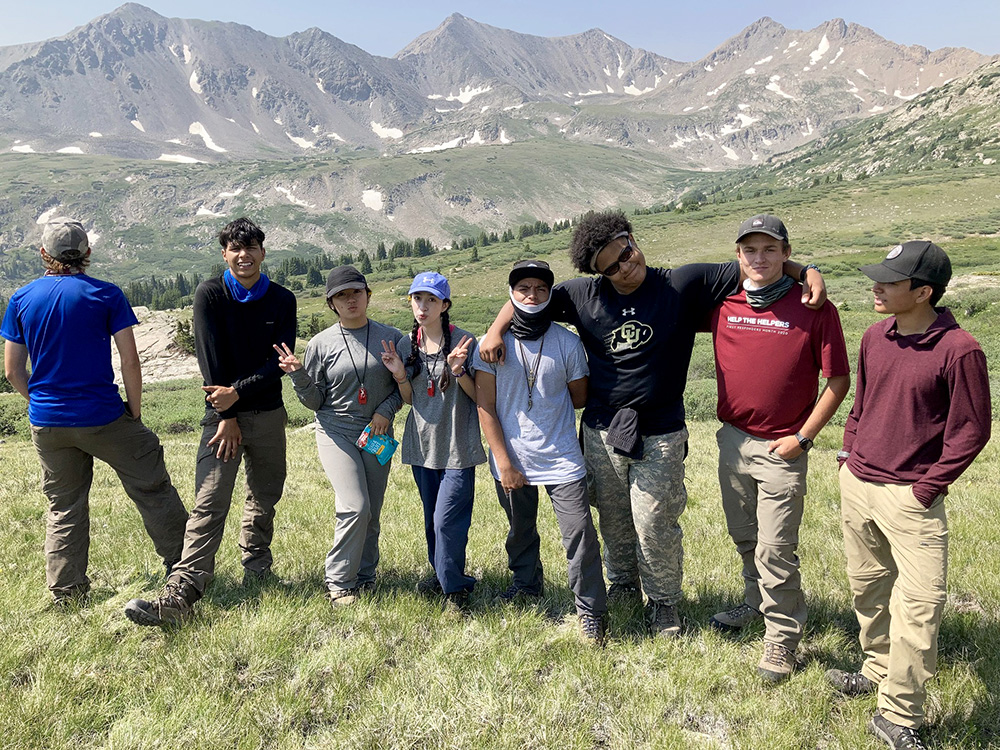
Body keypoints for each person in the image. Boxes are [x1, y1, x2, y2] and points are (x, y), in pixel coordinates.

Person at [479, 210, 826, 638]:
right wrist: (496, 330)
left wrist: (805, 269)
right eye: (614, 265)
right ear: (598, 272)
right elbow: (529, 298)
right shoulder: (583, 294)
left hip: (661, 431)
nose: (627, 264)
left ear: (632, 239)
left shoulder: (683, 283)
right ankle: (623, 587)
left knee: (655, 522)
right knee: (613, 519)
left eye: (627, 250)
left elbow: (754, 263)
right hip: (602, 430)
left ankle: (664, 603)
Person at [828, 241, 991, 750]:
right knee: (869, 589)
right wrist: (848, 456)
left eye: (889, 281)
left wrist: (926, 488)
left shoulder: (960, 350)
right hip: (858, 485)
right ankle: (877, 671)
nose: (875, 287)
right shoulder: (875, 336)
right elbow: (862, 400)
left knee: (920, 606)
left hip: (911, 498)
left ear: (923, 292)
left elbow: (971, 431)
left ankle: (899, 715)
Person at [1, 218, 188, 605]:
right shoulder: (106, 294)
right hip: (102, 415)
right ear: (87, 254)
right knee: (152, 488)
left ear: (44, 255)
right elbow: (130, 361)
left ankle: (67, 591)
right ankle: (186, 568)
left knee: (64, 505)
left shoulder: (22, 298)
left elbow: (12, 371)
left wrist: (38, 403)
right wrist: (134, 412)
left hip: (49, 422)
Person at [125, 217, 297, 626]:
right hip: (221, 419)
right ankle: (182, 591)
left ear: (263, 252)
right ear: (225, 254)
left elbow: (280, 362)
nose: (244, 255)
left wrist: (237, 392)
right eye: (235, 249)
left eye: (251, 247)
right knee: (210, 501)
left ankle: (258, 569)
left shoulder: (282, 299)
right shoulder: (211, 294)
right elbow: (210, 361)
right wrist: (228, 412)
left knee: (266, 493)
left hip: (269, 413)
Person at [706, 214, 850, 682]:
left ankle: (781, 639)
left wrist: (805, 437)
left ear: (786, 253)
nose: (759, 258)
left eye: (770, 249)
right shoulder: (722, 301)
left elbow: (838, 379)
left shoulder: (812, 305)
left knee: (775, 549)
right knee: (744, 535)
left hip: (784, 447)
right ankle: (755, 603)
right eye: (750, 250)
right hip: (732, 440)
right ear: (738, 255)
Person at [473, 260, 608, 644]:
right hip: (511, 460)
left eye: (540, 289)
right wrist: (503, 462)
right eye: (523, 288)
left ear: (550, 295)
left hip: (562, 457)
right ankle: (527, 584)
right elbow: (486, 408)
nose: (531, 295)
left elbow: (579, 396)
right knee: (520, 531)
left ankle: (591, 611)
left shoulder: (566, 342)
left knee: (580, 535)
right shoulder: (492, 345)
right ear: (511, 294)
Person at [276, 266, 404, 607]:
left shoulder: (392, 337)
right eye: (341, 296)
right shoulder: (320, 343)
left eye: (356, 293)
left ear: (368, 295)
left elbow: (403, 388)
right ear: (331, 303)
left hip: (378, 433)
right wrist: (298, 375)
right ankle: (339, 582)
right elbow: (315, 401)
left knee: (372, 511)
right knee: (355, 506)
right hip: (336, 432)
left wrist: (385, 410)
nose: (350, 300)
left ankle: (365, 576)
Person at [379, 272, 485, 613]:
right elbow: (410, 399)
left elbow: (478, 395)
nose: (422, 307)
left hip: (458, 444)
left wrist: (457, 371)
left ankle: (455, 590)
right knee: (430, 519)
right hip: (421, 444)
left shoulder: (465, 341)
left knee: (447, 520)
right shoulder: (406, 345)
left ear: (445, 305)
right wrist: (398, 373)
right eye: (417, 299)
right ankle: (442, 574)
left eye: (431, 300)